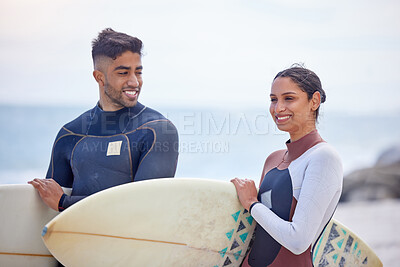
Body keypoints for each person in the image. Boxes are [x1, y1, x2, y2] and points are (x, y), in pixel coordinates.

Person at [29, 28, 179, 212]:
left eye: (138, 72)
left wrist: (64, 203)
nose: (134, 82)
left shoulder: (157, 131)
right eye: (123, 73)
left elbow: (144, 206)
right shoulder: (69, 134)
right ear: (99, 77)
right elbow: (50, 207)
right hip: (79, 240)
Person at [231, 66, 343, 267]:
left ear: (314, 101)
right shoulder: (272, 160)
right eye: (273, 99)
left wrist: (251, 203)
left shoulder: (324, 157)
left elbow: (298, 241)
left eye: (288, 98)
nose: (278, 108)